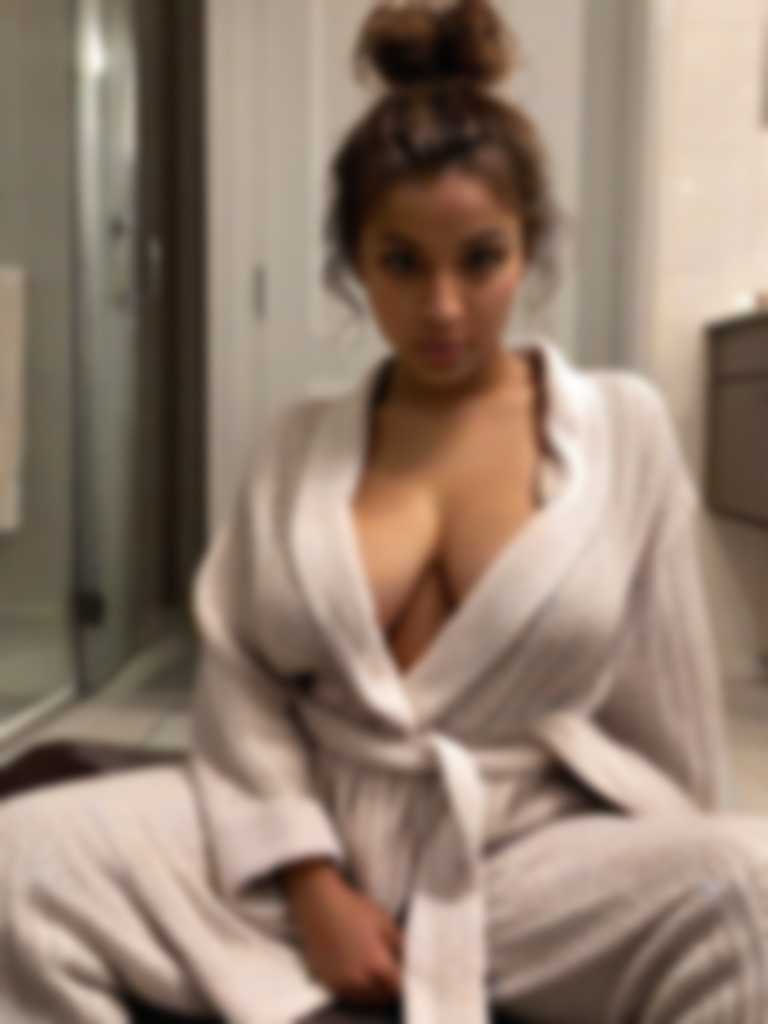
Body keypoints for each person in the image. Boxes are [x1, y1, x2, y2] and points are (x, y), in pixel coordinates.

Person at [1, 2, 767, 1022]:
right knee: (20, 862)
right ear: (355, 263)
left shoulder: (623, 432)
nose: (443, 307)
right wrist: (310, 882)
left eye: (480, 258)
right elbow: (240, 683)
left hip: (525, 852)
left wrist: (668, 860)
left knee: (748, 888)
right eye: (403, 262)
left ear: (529, 249)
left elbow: (670, 708)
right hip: (306, 831)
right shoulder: (299, 445)